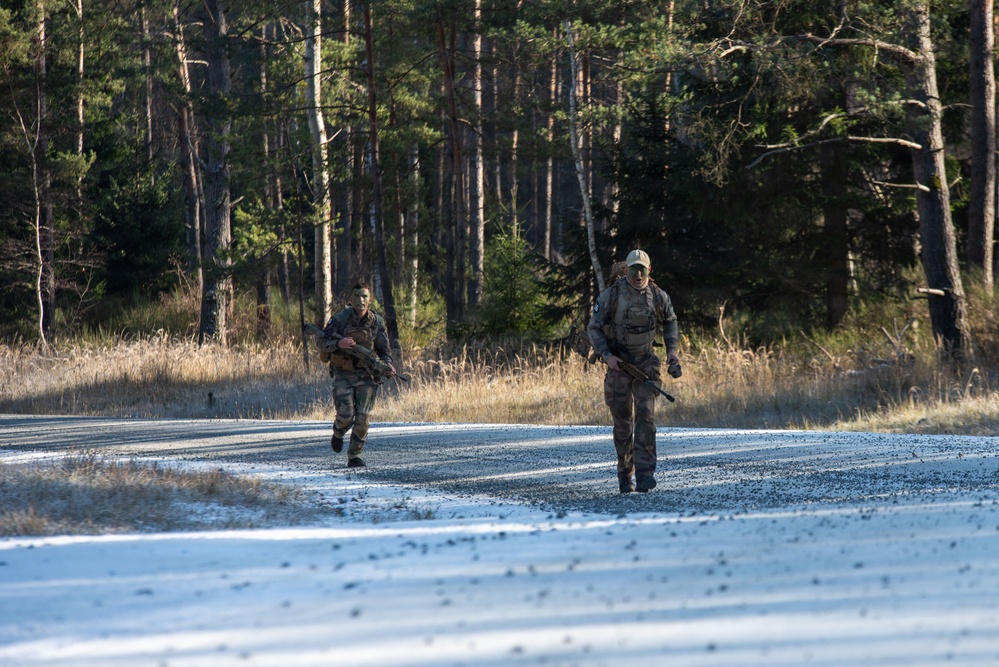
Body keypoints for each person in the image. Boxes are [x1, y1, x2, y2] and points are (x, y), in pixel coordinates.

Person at [587, 249, 680, 493]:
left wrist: (671, 351)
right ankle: (625, 475)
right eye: (633, 269)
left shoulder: (658, 295)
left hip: (646, 363)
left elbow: (671, 320)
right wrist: (608, 357)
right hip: (619, 363)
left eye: (642, 269)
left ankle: (646, 474)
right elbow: (593, 328)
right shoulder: (612, 296)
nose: (637, 274)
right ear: (626, 270)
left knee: (646, 418)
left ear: (649, 270)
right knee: (622, 422)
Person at [321, 281, 396, 468]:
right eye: (357, 296)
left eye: (364, 297)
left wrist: (388, 364)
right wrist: (339, 344)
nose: (361, 300)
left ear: (369, 300)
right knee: (346, 415)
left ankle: (354, 455)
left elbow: (383, 350)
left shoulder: (376, 322)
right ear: (351, 299)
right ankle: (338, 432)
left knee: (362, 418)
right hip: (343, 374)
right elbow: (322, 343)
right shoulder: (339, 320)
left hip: (366, 375)